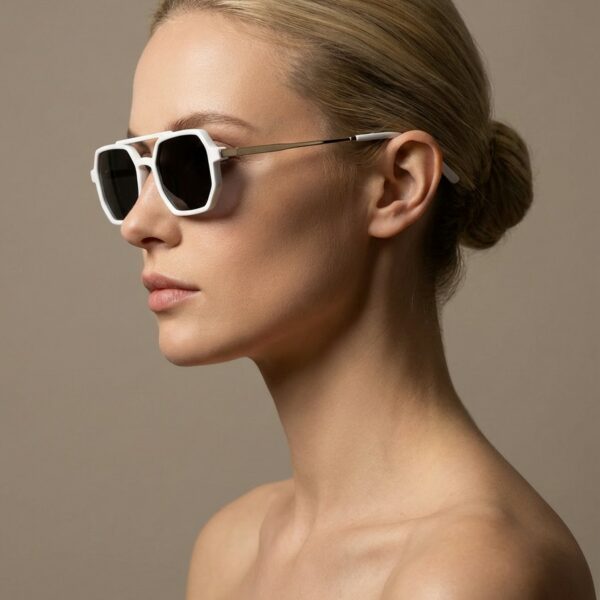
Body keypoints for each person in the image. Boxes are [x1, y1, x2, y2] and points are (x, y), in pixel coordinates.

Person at [91, 1, 596, 598]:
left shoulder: (469, 575)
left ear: (396, 185)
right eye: (131, 168)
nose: (138, 223)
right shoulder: (230, 550)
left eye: (193, 162)